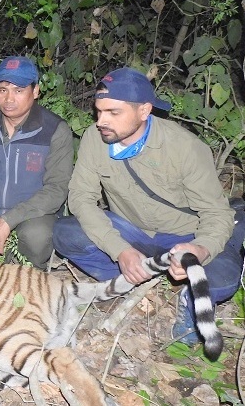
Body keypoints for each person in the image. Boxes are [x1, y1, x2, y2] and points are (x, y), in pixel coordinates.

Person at [53, 67, 245, 346]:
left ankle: (190, 304)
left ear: (144, 110)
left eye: (113, 113)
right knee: (65, 232)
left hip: (184, 236)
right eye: (99, 111)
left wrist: (201, 249)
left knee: (223, 278)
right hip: (132, 231)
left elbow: (216, 214)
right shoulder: (95, 139)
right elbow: (81, 197)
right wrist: (120, 250)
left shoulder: (184, 147)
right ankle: (124, 279)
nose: (101, 121)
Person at [0, 56, 73, 268]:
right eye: (2, 90)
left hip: (35, 216)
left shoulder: (54, 130)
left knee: (36, 236)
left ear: (35, 91)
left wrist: (9, 220)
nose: (9, 98)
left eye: (18, 90)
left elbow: (57, 188)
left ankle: (32, 272)